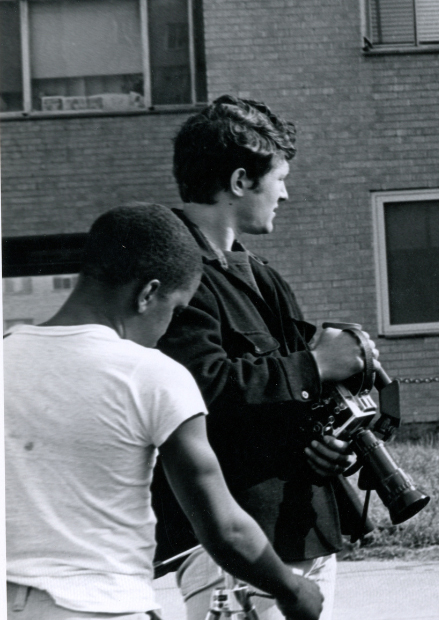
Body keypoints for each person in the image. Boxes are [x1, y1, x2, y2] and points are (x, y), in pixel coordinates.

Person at [5, 203, 323, 620]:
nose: (166, 330)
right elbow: (224, 529)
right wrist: (292, 587)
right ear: (148, 293)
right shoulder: (152, 375)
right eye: (174, 311)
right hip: (99, 605)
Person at [150, 95, 378, 620]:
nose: (287, 194)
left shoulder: (259, 274)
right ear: (238, 182)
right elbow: (200, 388)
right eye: (279, 179)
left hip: (300, 530)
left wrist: (327, 443)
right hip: (237, 543)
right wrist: (317, 365)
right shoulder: (175, 277)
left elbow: (290, 402)